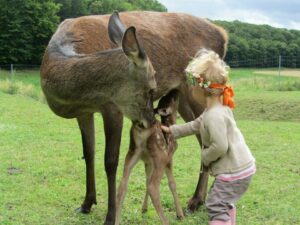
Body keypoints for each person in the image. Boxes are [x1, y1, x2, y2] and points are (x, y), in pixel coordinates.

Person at [161, 49, 256, 225]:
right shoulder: (216, 109)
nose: (188, 89)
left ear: (203, 89)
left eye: (191, 84)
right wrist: (172, 130)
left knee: (215, 204)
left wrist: (205, 156)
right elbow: (196, 124)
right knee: (223, 202)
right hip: (242, 168)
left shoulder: (215, 116)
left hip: (233, 172)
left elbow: (220, 146)